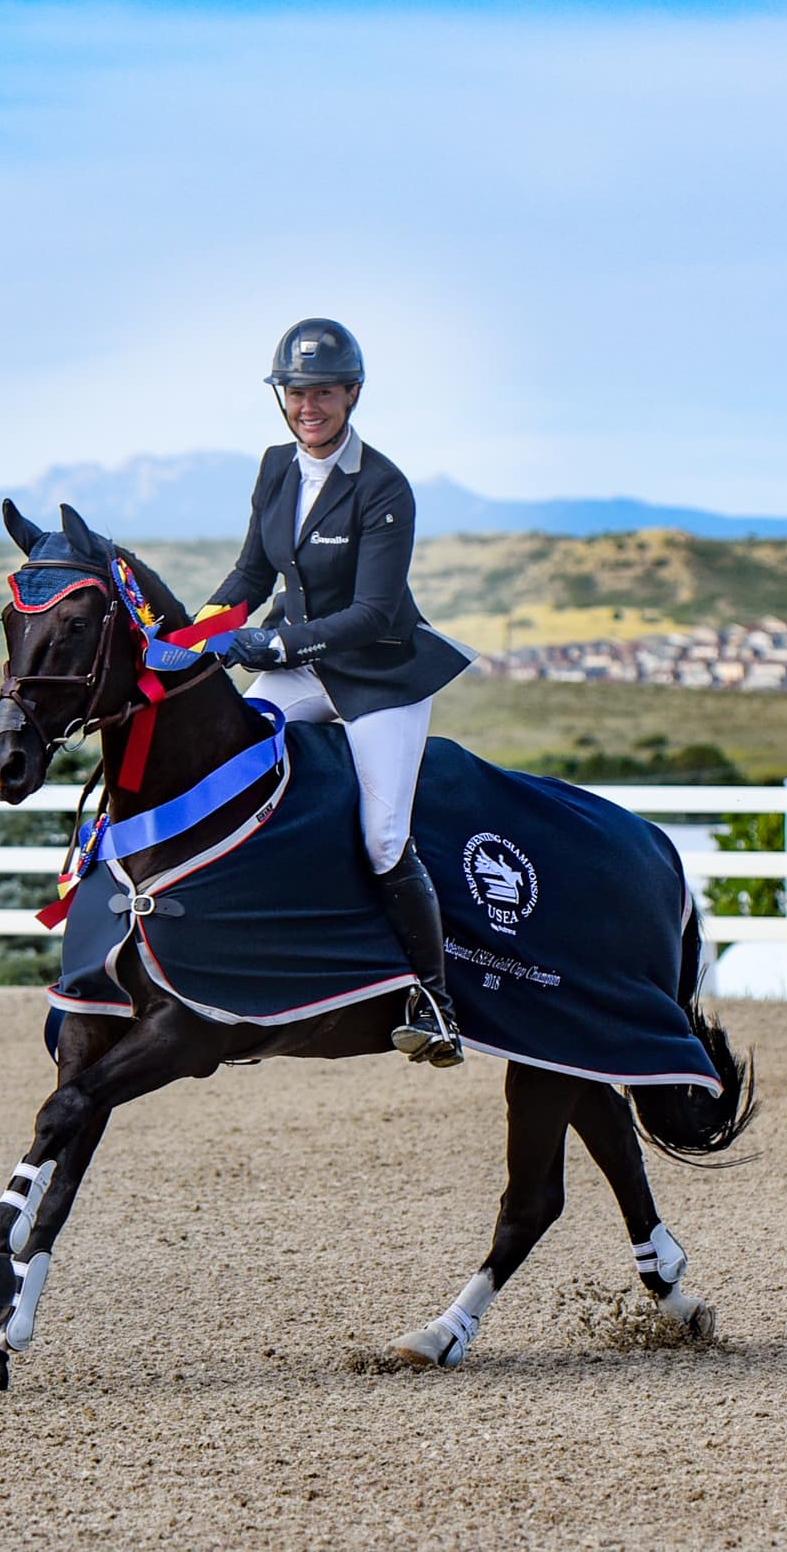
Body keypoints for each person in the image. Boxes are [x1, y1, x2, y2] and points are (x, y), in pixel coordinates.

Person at [201, 318, 473, 1066]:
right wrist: (193, 633)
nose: (307, 405)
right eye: (295, 391)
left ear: (352, 393)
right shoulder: (273, 468)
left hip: (380, 675)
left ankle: (434, 1000)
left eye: (322, 391)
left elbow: (376, 613)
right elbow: (253, 576)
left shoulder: (383, 485)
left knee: (384, 838)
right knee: (232, 771)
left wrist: (275, 644)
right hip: (299, 667)